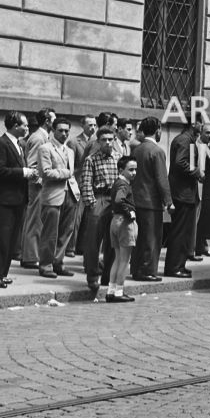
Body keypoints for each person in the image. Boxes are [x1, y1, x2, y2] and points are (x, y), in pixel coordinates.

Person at [0, 112, 36, 288]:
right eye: (25, 125)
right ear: (15, 126)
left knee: (11, 240)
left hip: (17, 200)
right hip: (3, 201)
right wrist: (24, 172)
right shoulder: (0, 144)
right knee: (2, 239)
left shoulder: (18, 144)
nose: (27, 128)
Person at [131, 116, 174, 281]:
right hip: (151, 202)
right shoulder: (157, 151)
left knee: (139, 238)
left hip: (136, 200)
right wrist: (168, 202)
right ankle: (147, 270)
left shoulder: (136, 150)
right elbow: (162, 179)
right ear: (157, 130)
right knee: (152, 238)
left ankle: (136, 269)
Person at [36, 116, 79, 278]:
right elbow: (45, 172)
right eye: (60, 130)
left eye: (67, 131)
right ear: (53, 130)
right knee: (50, 233)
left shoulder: (70, 151)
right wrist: (66, 173)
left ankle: (58, 263)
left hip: (71, 194)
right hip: (53, 195)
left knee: (66, 232)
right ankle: (46, 265)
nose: (64, 134)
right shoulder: (45, 148)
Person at [80, 126, 119, 296]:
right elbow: (86, 183)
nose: (108, 143)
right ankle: (92, 276)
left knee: (113, 241)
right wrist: (91, 203)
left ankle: (108, 275)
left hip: (115, 199)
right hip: (99, 198)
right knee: (93, 241)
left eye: (110, 139)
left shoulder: (118, 158)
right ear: (98, 141)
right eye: (104, 140)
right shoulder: (91, 160)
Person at [164, 121, 202, 277]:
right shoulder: (184, 140)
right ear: (194, 123)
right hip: (182, 194)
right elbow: (180, 162)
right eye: (201, 122)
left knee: (183, 232)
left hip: (184, 193)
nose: (202, 125)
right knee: (180, 232)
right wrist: (197, 172)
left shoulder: (185, 139)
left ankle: (179, 265)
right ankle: (174, 267)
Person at [20, 107, 55, 268]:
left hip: (42, 186)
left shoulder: (43, 137)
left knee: (38, 221)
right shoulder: (38, 138)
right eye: (54, 119)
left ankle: (32, 255)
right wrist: (42, 182)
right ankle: (30, 256)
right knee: (34, 220)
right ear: (47, 121)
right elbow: (33, 164)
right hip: (38, 186)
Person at [105, 155, 138, 303]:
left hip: (115, 221)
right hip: (124, 222)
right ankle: (119, 291)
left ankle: (111, 291)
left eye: (135, 169)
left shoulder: (117, 182)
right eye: (130, 169)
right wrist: (129, 212)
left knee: (117, 259)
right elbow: (119, 199)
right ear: (121, 170)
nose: (134, 173)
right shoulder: (124, 185)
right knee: (125, 260)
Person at [66, 114, 97, 257]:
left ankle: (82, 247)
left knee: (88, 218)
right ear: (82, 125)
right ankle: (70, 247)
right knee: (75, 218)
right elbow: (71, 165)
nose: (93, 128)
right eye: (90, 125)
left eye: (94, 125)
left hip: (92, 184)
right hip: (78, 183)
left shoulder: (97, 141)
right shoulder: (74, 142)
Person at [193, 122, 210, 259]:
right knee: (195, 221)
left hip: (206, 190)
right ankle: (193, 249)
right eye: (207, 132)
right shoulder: (196, 146)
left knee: (203, 220)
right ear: (201, 133)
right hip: (197, 188)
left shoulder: (207, 146)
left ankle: (202, 247)